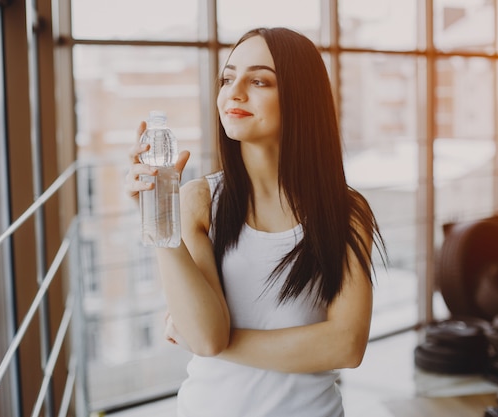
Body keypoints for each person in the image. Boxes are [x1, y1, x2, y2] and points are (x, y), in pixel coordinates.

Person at [126, 27, 386, 417]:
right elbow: (206, 335)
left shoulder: (345, 212)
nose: (235, 91)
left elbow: (346, 346)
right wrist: (160, 219)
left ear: (301, 99)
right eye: (228, 78)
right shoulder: (199, 200)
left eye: (259, 80)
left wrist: (214, 340)